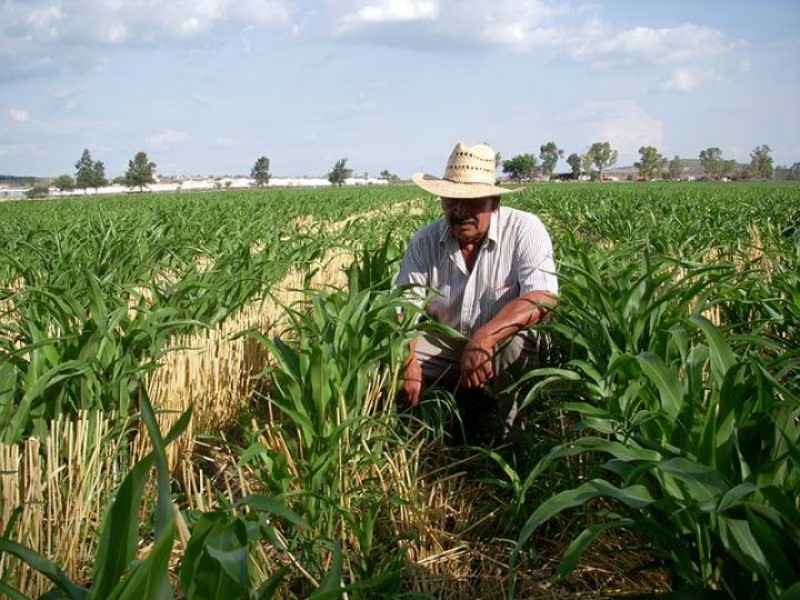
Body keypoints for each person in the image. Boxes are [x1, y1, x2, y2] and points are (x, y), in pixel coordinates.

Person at [397, 142, 558, 443]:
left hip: (499, 344)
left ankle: (513, 442)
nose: (460, 212)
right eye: (452, 201)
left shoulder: (524, 229)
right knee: (390, 351)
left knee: (517, 344)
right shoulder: (425, 241)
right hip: (447, 342)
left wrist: (484, 338)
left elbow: (543, 295)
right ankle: (413, 437)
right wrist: (406, 363)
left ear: (494, 202)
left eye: (472, 202)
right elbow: (402, 309)